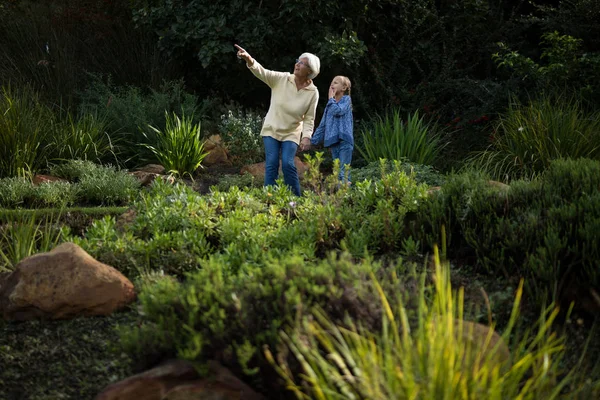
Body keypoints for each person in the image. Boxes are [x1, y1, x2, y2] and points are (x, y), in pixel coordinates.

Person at [235, 44, 320, 196]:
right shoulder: (282, 79)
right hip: (271, 129)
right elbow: (263, 72)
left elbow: (309, 117)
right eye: (297, 61)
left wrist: (306, 137)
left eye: (302, 63)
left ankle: (296, 200)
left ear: (310, 71)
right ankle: (269, 199)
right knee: (272, 163)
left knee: (288, 163)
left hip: (292, 132)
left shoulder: (313, 92)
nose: (297, 64)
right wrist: (249, 59)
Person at [310, 76, 353, 183]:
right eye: (331, 83)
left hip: (345, 140)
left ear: (344, 88)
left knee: (344, 171)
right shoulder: (329, 105)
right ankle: (340, 197)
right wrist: (312, 142)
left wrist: (331, 99)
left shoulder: (346, 100)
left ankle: (346, 196)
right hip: (334, 142)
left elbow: (338, 111)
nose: (332, 85)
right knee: (337, 172)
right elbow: (322, 125)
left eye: (335, 83)